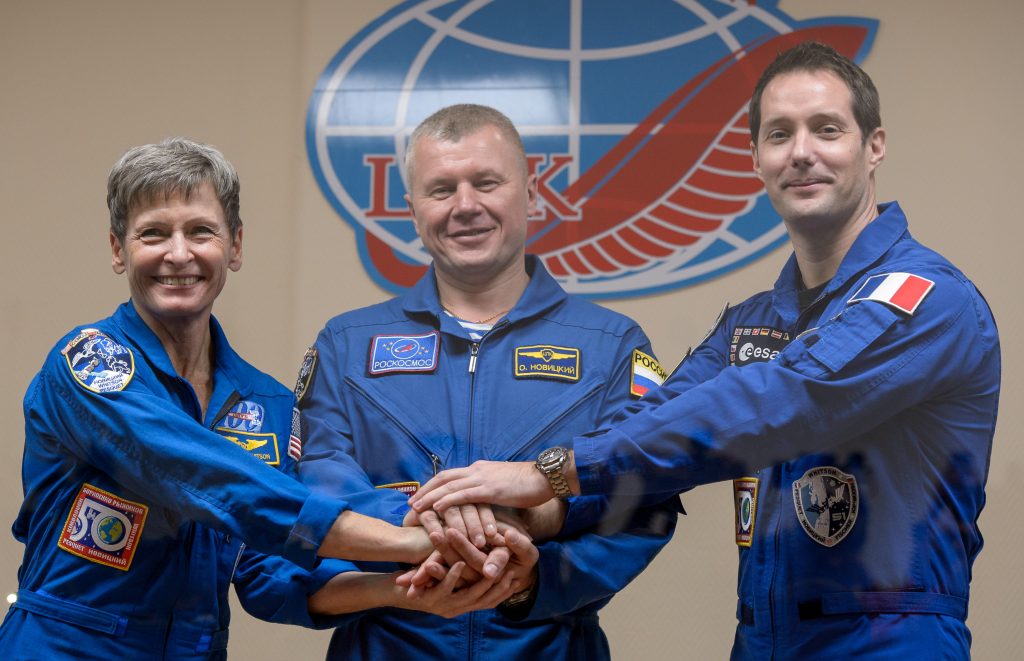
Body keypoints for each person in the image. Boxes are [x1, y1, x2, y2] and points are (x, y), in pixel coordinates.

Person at [410, 44, 1000, 659]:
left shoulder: (925, 298)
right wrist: (534, 519)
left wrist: (546, 473)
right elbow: (652, 426)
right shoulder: (753, 323)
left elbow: (781, 399)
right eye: (778, 134)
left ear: (873, 145)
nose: (801, 152)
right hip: (762, 637)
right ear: (755, 158)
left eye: (826, 130)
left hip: (889, 639)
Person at [0, 138, 433, 659]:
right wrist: (409, 540)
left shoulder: (267, 403)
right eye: (153, 233)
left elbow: (267, 572)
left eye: (201, 231)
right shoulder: (89, 364)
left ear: (235, 246)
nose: (178, 254)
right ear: (119, 250)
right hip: (64, 646)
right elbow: (203, 475)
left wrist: (405, 588)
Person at [292, 104, 681, 659]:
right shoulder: (347, 344)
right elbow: (319, 479)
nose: (465, 206)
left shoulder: (613, 344)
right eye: (441, 189)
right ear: (411, 209)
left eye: (487, 182)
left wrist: (529, 577)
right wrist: (429, 526)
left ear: (531, 191)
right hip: (387, 643)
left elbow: (646, 500)